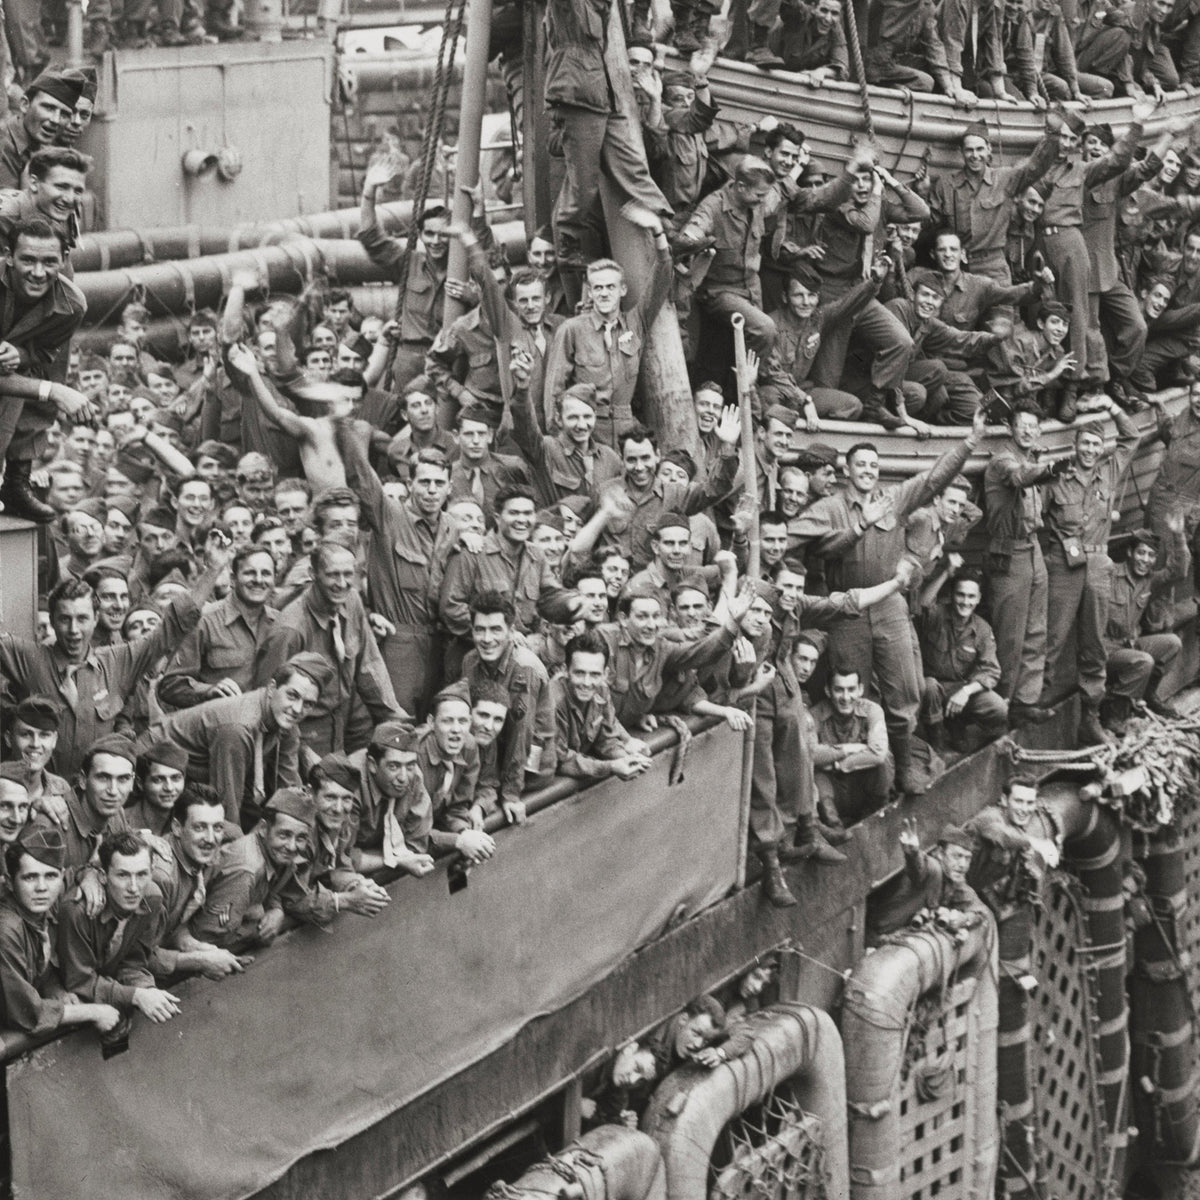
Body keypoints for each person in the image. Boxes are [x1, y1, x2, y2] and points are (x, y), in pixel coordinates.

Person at [792, 410, 987, 796]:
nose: (867, 471)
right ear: (847, 471)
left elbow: (934, 479)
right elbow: (812, 545)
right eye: (860, 465)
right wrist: (858, 526)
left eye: (873, 465)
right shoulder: (830, 507)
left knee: (904, 693)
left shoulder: (893, 501)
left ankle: (904, 768)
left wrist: (970, 441)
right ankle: (862, 777)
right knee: (853, 692)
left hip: (890, 607)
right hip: (846, 610)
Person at [0, 535, 230, 778]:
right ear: (53, 621)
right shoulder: (27, 657)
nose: (74, 630)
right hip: (39, 790)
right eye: (65, 619)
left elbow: (173, 625)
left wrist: (213, 569)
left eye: (82, 619)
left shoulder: (118, 661)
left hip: (97, 791)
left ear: (96, 619)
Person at [1040, 396, 1142, 742]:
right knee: (1052, 636)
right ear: (1075, 445)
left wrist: (1111, 406)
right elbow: (1034, 518)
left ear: (1102, 448)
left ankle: (1090, 717)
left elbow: (1132, 437)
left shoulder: (1110, 471)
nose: (1089, 450)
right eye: (1084, 443)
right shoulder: (1056, 478)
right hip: (1063, 566)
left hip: (1098, 565)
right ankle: (1033, 704)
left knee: (1094, 642)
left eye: (1096, 444)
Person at [543, 0, 672, 267]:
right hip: (578, 92)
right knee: (584, 180)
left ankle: (666, 224)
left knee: (630, 163)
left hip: (601, 93)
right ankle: (567, 241)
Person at [140, 653, 330, 827]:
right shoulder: (238, 727)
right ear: (272, 688)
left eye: (308, 704)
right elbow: (226, 807)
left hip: (197, 774)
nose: (297, 709)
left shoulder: (285, 720)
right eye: (292, 695)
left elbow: (288, 790)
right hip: (152, 767)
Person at [255, 540, 407, 755]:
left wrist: (394, 716)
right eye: (333, 575)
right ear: (313, 574)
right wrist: (299, 751)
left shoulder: (352, 600)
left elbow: (370, 665)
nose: (342, 583)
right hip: (302, 729)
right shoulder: (291, 629)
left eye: (348, 574)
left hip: (343, 720)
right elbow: (268, 700)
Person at [543, 230, 672, 449]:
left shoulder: (635, 323)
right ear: (590, 293)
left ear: (622, 290)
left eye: (610, 287)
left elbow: (661, 279)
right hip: (587, 430)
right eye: (598, 288)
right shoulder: (572, 330)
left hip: (625, 431)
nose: (604, 293)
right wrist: (560, 438)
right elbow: (554, 389)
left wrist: (659, 236)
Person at [0, 218, 93, 522]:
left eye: (49, 262)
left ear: (63, 260)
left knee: (44, 373)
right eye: (28, 260)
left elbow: (44, 355)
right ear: (8, 256)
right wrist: (54, 392)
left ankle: (16, 480)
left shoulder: (71, 305)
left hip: (11, 382)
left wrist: (21, 355)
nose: (38, 273)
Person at [0, 823, 121, 1036]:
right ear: (9, 882)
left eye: (50, 876)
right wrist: (92, 1011)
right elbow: (25, 1012)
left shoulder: (39, 906)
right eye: (30, 877)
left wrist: (55, 991)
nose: (42, 887)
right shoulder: (7, 929)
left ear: (60, 876)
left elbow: (39, 967)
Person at [440, 487, 582, 669]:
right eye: (514, 513)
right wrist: (502, 633)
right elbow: (451, 607)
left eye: (528, 513)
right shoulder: (472, 552)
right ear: (498, 518)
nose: (522, 520)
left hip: (519, 660)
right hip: (472, 658)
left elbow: (551, 597)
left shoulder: (537, 556)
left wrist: (573, 604)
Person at [58, 831, 180, 1025]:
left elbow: (133, 963)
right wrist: (135, 996)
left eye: (142, 874)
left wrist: (148, 990)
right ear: (103, 876)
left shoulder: (152, 899)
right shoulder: (77, 911)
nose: (134, 888)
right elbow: (79, 982)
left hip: (109, 993)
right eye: (123, 875)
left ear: (152, 870)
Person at [190, 788, 326, 952]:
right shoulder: (246, 871)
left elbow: (272, 888)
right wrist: (257, 927)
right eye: (284, 835)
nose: (292, 846)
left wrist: (276, 909)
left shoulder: (274, 853)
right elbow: (207, 936)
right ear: (263, 828)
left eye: (301, 838)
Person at [930, 118, 1061, 283]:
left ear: (989, 149)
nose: (975, 156)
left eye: (980, 149)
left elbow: (1035, 168)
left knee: (1003, 301)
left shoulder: (1004, 179)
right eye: (969, 150)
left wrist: (1053, 137)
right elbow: (930, 223)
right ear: (961, 151)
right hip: (958, 267)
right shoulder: (945, 185)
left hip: (993, 268)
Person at [460, 591, 557, 801]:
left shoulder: (525, 668)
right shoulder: (470, 661)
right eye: (480, 630)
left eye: (495, 630)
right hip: (495, 752)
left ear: (511, 632)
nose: (487, 639)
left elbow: (521, 735)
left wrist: (511, 793)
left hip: (531, 763)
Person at [157, 544, 279, 709]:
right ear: (233, 579)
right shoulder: (204, 621)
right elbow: (170, 685)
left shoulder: (280, 624)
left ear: (274, 579)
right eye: (250, 573)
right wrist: (208, 691)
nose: (258, 580)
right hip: (218, 720)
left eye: (266, 573)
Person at [148, 785, 250, 982]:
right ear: (177, 828)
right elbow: (134, 958)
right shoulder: (162, 877)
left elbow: (171, 926)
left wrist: (196, 947)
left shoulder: (191, 857)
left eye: (217, 827)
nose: (211, 839)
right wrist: (200, 961)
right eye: (199, 827)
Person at [1101, 522, 1189, 730]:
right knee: (1144, 661)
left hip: (1128, 645)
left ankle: (1148, 694)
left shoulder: (1149, 580)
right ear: (1130, 553)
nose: (1145, 560)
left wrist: (1178, 535)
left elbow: (1179, 571)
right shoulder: (1110, 575)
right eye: (1141, 553)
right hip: (1105, 650)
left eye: (1151, 555)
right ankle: (1113, 713)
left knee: (1172, 643)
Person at [918, 569, 1009, 751]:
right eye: (960, 594)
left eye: (971, 596)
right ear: (952, 595)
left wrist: (966, 691)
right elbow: (922, 605)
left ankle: (956, 724)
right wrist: (945, 572)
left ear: (978, 598)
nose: (965, 602)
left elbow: (991, 671)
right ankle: (935, 735)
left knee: (999, 709)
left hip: (960, 688)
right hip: (932, 688)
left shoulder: (982, 629)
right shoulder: (936, 615)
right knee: (929, 687)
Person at [552, 631, 654, 780]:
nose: (587, 683)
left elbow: (607, 739)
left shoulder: (601, 690)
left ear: (605, 674)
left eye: (595, 674)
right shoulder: (553, 701)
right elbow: (561, 760)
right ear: (565, 670)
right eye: (579, 673)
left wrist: (627, 758)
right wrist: (611, 766)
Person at [415, 690, 495, 864]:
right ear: (431, 722)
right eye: (447, 721)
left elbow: (457, 807)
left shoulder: (469, 746)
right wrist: (458, 841)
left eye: (463, 721)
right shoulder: (414, 757)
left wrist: (465, 832)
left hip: (432, 828)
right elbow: (410, 830)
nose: (456, 730)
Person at [347, 721, 435, 877]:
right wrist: (395, 860)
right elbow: (342, 858)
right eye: (394, 766)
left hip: (372, 864)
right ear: (373, 765)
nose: (403, 778)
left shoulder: (414, 777)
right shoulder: (350, 785)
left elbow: (416, 845)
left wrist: (397, 858)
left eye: (410, 765)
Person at [809, 666, 894, 825]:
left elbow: (878, 754)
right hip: (832, 791)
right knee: (813, 772)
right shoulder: (815, 715)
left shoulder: (872, 710)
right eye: (839, 690)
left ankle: (875, 816)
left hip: (862, 788)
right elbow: (811, 754)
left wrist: (837, 765)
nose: (846, 697)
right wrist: (848, 749)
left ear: (860, 690)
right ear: (828, 691)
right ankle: (833, 823)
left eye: (851, 689)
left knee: (884, 762)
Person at [0, 72, 83, 190]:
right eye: (49, 108)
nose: (55, 120)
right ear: (25, 105)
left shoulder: (47, 148)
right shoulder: (3, 143)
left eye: (64, 114)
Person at [123, 741, 187, 837]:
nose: (169, 787)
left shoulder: (185, 822)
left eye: (175, 778)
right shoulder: (122, 823)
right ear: (140, 783)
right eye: (158, 780)